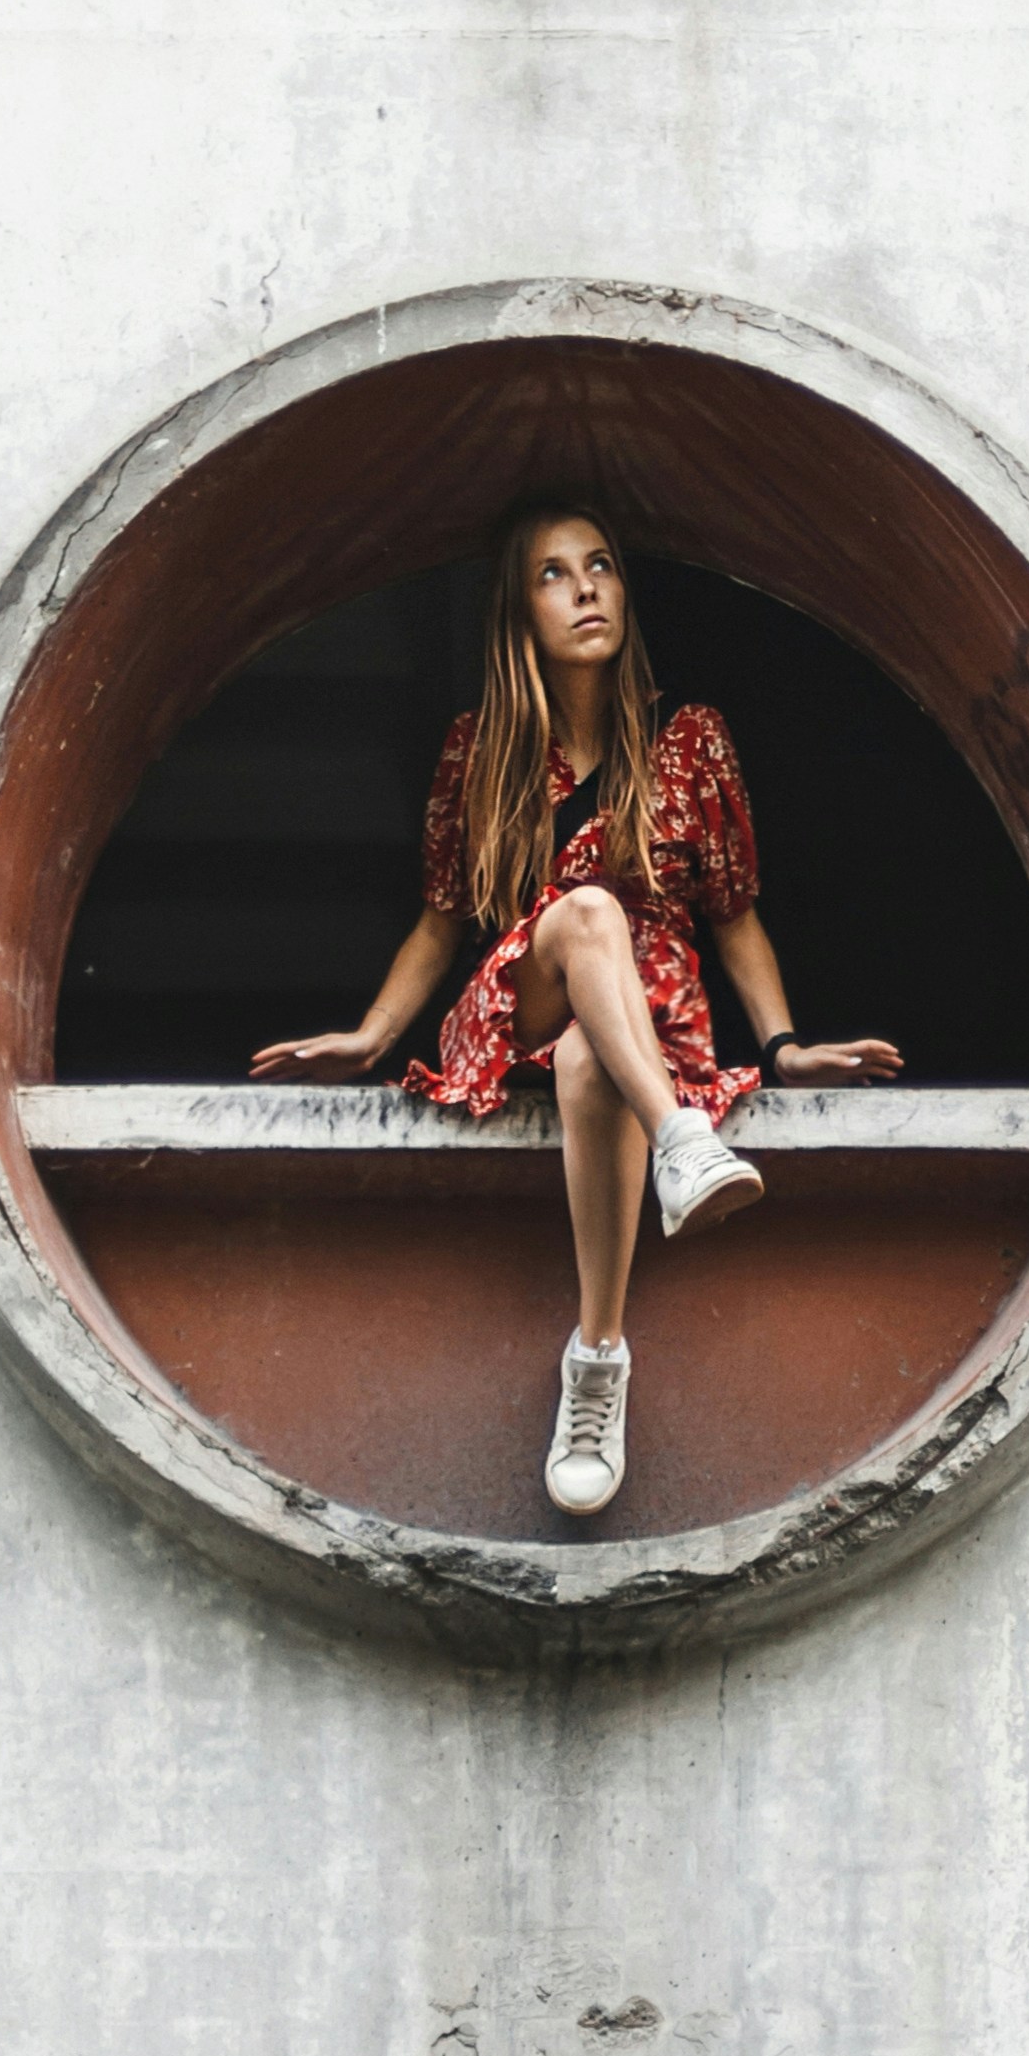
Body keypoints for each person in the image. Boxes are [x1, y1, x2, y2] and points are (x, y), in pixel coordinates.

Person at [251, 505, 901, 1518]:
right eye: (553, 574)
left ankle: (597, 1358)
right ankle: (682, 1140)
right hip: (516, 1003)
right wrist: (373, 1035)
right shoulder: (479, 749)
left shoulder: (690, 740)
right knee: (590, 911)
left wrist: (783, 1047)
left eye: (600, 565)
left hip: (647, 1026)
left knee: (591, 1061)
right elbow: (441, 920)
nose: (586, 587)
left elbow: (733, 915)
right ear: (519, 611)